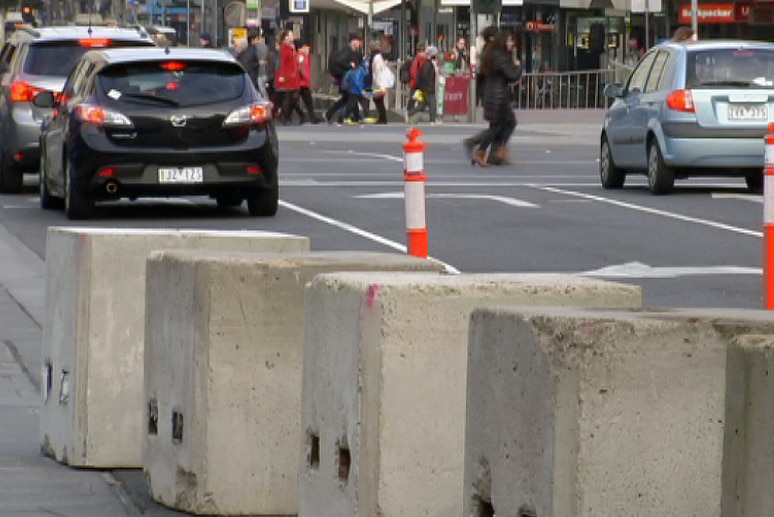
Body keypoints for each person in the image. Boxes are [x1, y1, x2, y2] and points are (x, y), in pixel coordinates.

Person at [464, 28, 522, 167]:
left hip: (494, 93)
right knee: (501, 125)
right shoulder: (499, 56)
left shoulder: (491, 53)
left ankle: (490, 152)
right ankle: (478, 145)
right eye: (509, 40)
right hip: (498, 95)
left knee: (500, 124)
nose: (511, 43)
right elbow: (511, 75)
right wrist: (518, 66)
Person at [325, 33, 363, 125]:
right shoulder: (347, 51)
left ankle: (329, 114)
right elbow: (340, 61)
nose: (359, 43)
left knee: (347, 99)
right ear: (353, 41)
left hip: (352, 80)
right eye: (357, 41)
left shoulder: (356, 52)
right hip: (348, 80)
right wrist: (350, 65)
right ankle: (345, 117)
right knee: (352, 98)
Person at [275, 29, 301, 125]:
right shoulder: (284, 48)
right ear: (286, 38)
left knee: (293, 97)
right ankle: (285, 117)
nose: (292, 36)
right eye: (290, 35)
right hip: (286, 75)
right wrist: (281, 75)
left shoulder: (292, 47)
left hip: (293, 76)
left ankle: (284, 114)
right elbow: (281, 62)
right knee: (288, 97)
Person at [295, 44, 323, 123]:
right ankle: (305, 116)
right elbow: (300, 68)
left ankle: (311, 118)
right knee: (294, 101)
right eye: (306, 48)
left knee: (308, 101)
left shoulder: (305, 56)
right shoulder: (300, 56)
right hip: (301, 83)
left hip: (304, 83)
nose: (308, 50)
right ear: (301, 48)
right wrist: (304, 76)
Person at [369, 39, 394, 124]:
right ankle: (382, 117)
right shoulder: (378, 57)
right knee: (378, 100)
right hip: (379, 82)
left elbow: (377, 71)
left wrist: (379, 83)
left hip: (379, 83)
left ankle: (382, 118)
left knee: (378, 99)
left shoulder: (376, 58)